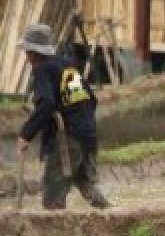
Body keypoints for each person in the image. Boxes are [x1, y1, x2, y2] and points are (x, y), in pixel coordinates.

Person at [15, 23, 110, 210]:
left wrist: (26, 134)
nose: (26, 57)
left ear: (34, 52)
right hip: (88, 136)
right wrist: (83, 124)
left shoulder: (42, 69)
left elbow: (47, 104)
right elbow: (91, 100)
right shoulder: (67, 65)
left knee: (52, 198)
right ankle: (114, 217)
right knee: (87, 186)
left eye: (27, 52)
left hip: (67, 140)